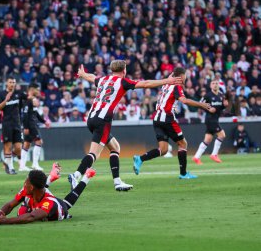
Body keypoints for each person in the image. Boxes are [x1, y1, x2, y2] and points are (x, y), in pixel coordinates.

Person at [68, 60, 183, 192]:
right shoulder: (123, 82)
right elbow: (146, 84)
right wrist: (166, 81)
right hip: (103, 120)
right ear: (124, 71)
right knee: (94, 154)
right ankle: (75, 175)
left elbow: (92, 77)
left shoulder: (104, 79)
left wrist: (82, 74)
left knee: (115, 147)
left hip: (91, 117)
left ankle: (117, 182)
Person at [133, 67, 212, 179]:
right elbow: (184, 101)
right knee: (183, 144)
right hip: (167, 119)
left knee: (163, 149)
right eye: (185, 76)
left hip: (157, 119)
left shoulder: (166, 84)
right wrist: (202, 105)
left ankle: (140, 159)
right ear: (180, 76)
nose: (186, 78)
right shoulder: (176, 86)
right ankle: (183, 174)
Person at [0, 164, 96, 224]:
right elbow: (10, 205)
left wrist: (6, 221)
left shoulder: (49, 203)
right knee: (22, 212)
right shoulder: (28, 190)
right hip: (39, 195)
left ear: (31, 187)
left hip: (59, 208)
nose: (24, 184)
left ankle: (86, 177)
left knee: (66, 204)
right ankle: (50, 178)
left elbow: (31, 217)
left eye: (26, 182)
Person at [0, 76, 27, 174]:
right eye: (10, 82)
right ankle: (11, 168)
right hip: (7, 124)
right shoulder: (1, 94)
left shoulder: (18, 94)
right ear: (6, 83)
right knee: (8, 147)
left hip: (17, 124)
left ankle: (6, 162)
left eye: (14, 82)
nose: (12, 84)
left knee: (18, 147)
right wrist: (6, 100)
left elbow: (22, 105)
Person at [192, 80, 228, 164]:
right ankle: (214, 154)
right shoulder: (207, 95)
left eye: (216, 83)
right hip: (210, 119)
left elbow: (219, 108)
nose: (215, 85)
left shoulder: (221, 95)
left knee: (208, 139)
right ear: (210, 86)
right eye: (213, 83)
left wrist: (224, 106)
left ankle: (196, 157)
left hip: (215, 119)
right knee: (222, 135)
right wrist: (208, 109)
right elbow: (199, 104)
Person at [20, 83, 51, 171]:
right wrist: (26, 127)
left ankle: (22, 166)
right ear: (32, 89)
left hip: (31, 124)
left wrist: (44, 121)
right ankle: (35, 164)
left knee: (27, 144)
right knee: (39, 142)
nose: (38, 91)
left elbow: (36, 114)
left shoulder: (32, 100)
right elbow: (25, 114)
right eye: (37, 89)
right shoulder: (28, 100)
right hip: (30, 125)